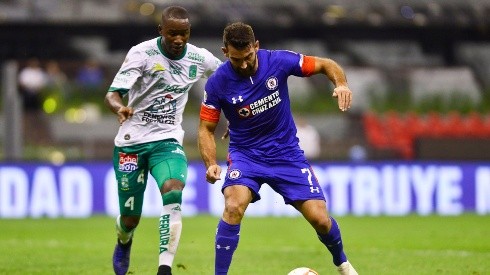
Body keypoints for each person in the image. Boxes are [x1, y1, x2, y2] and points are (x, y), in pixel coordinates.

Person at [198, 22, 358, 275]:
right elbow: (206, 128)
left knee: (320, 219)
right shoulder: (217, 83)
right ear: (225, 52)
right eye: (236, 59)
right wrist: (210, 163)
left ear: (256, 46)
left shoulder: (279, 61)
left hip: (287, 155)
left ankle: (343, 265)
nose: (242, 64)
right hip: (246, 156)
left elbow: (327, 64)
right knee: (233, 206)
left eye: (248, 57)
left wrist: (341, 84)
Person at [104, 6, 222, 275]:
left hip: (166, 140)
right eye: (172, 34)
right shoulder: (141, 53)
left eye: (183, 34)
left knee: (173, 190)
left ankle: (164, 268)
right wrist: (118, 107)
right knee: (130, 217)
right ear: (161, 31)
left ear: (189, 32)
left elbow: (228, 78)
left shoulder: (199, 57)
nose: (178, 40)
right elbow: (113, 93)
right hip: (131, 143)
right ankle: (124, 240)